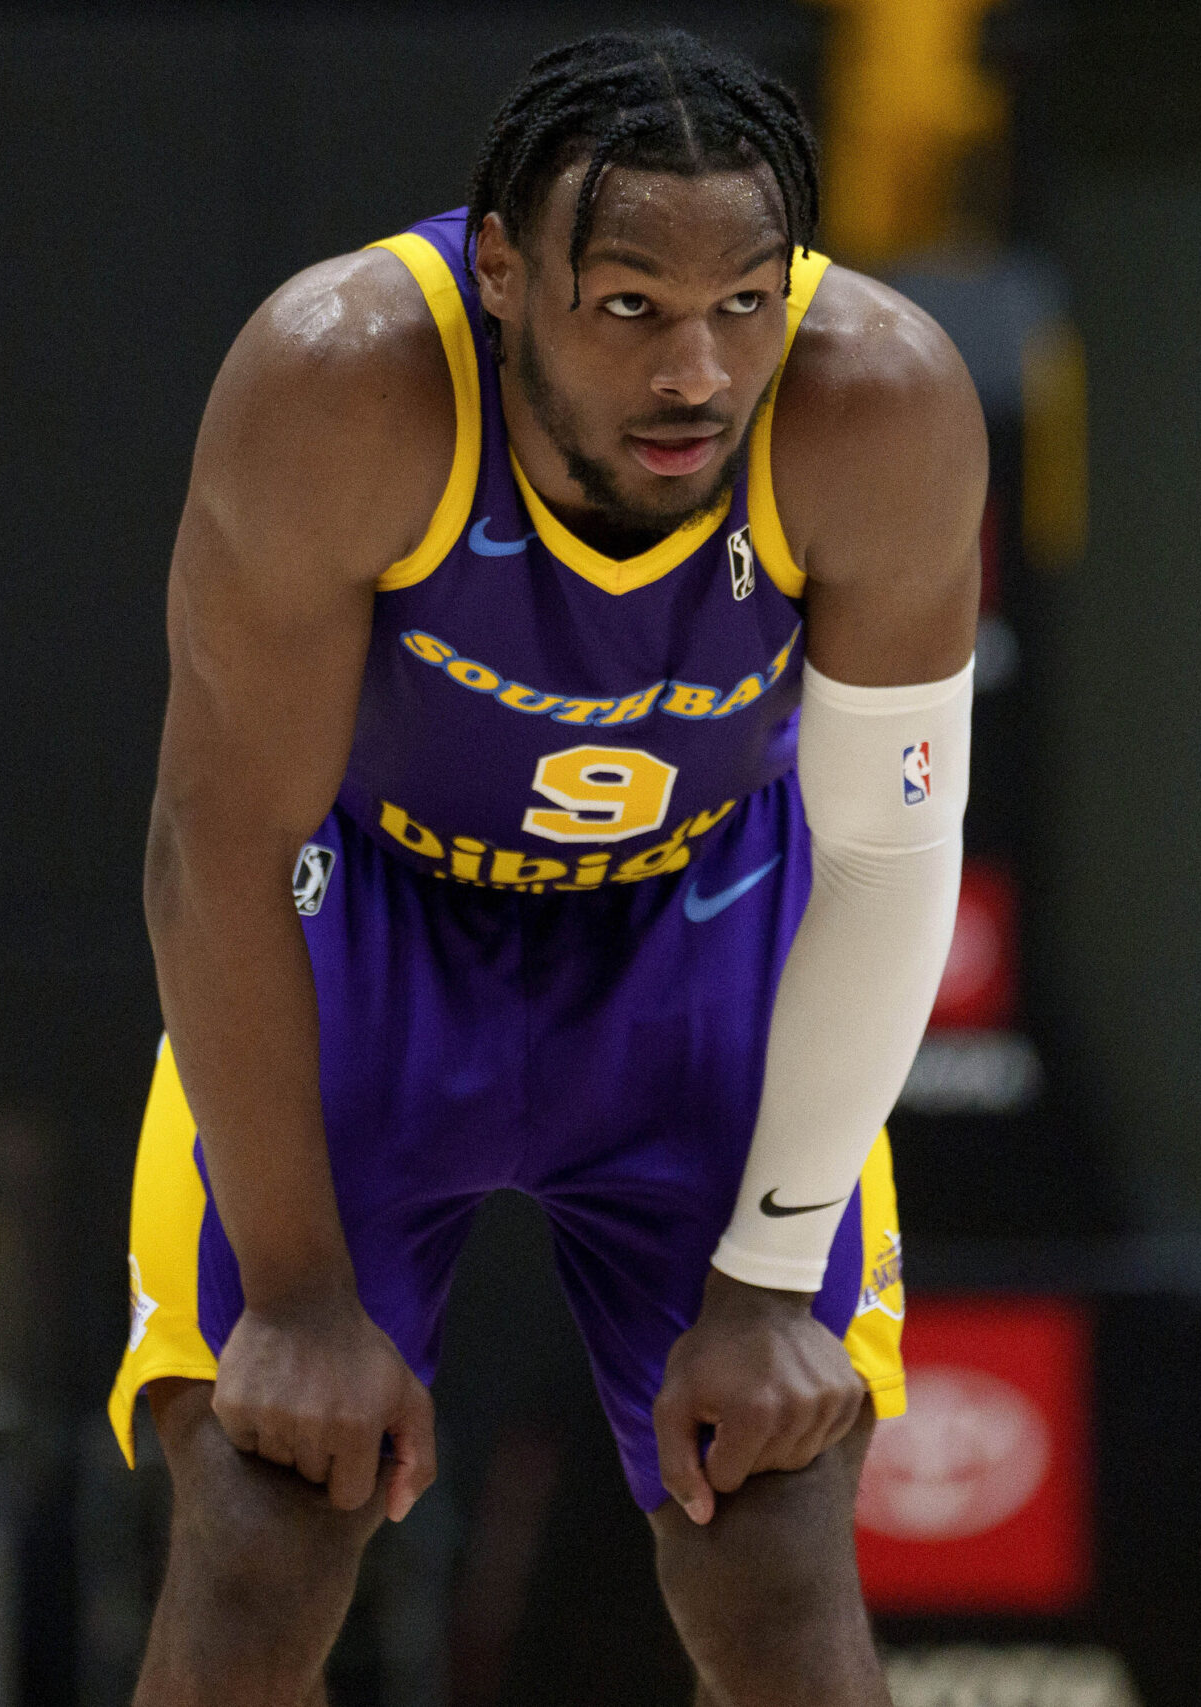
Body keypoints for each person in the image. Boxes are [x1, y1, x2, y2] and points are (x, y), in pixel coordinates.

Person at [106, 29, 982, 1705]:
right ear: (502, 273)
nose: (697, 377)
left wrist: (769, 1278)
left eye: (744, 304)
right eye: (632, 304)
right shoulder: (340, 382)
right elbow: (217, 843)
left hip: (699, 929)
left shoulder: (879, 403)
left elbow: (884, 856)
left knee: (778, 1554)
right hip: (368, 925)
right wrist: (292, 1299)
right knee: (259, 1540)